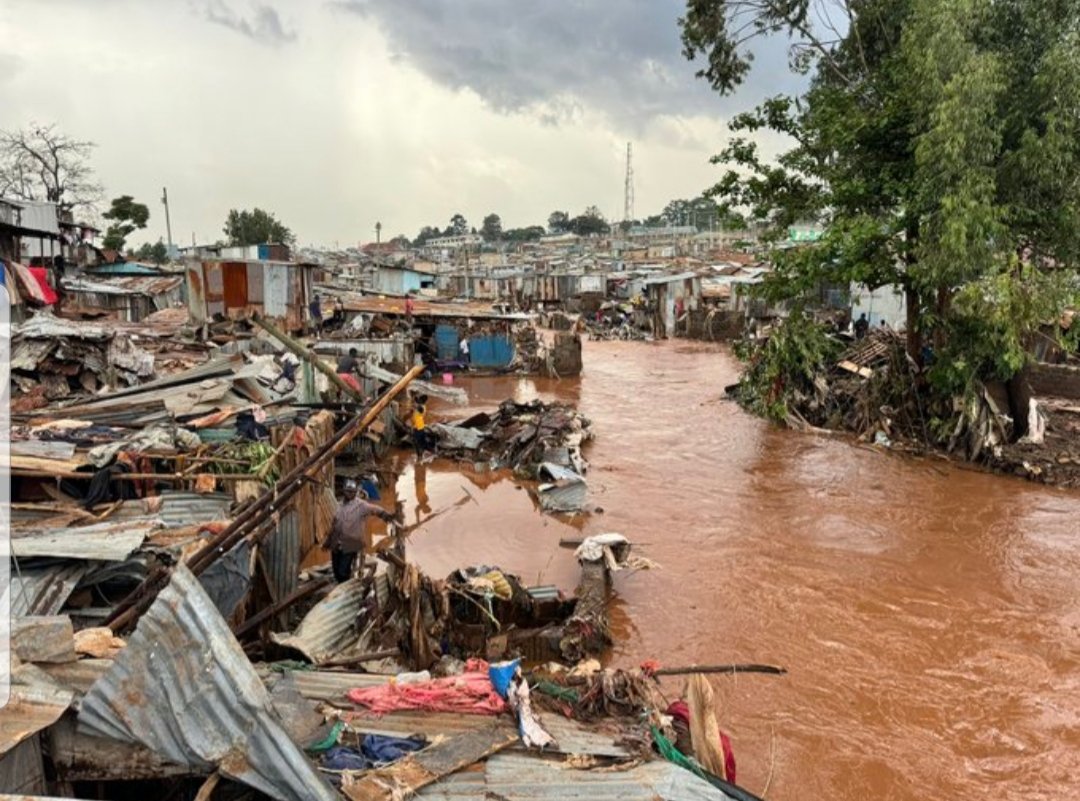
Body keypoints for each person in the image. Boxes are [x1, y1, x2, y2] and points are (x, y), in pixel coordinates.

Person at [324, 480, 396, 583]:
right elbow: (335, 524)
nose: (350, 493)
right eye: (348, 491)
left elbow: (375, 509)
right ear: (344, 491)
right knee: (336, 570)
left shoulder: (361, 506)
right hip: (336, 544)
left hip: (351, 543)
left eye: (352, 491)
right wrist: (328, 541)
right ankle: (341, 584)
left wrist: (387, 516)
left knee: (342, 572)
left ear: (355, 492)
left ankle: (346, 589)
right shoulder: (339, 505)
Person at [411, 393, 436, 462]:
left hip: (418, 428)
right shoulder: (420, 405)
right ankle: (432, 451)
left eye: (419, 399)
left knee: (416, 442)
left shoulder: (422, 408)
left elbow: (419, 408)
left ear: (422, 401)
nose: (418, 400)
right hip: (420, 427)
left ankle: (420, 456)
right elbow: (416, 401)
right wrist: (414, 397)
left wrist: (415, 405)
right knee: (422, 442)